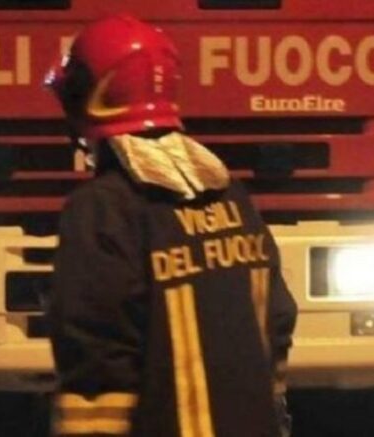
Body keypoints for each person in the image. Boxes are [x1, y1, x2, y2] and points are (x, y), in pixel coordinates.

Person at [45, 15, 298, 437]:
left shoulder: (103, 210)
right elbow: (277, 322)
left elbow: (96, 365)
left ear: (87, 96)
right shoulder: (231, 196)